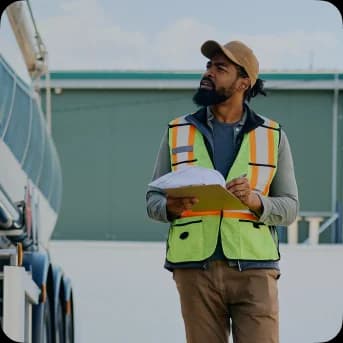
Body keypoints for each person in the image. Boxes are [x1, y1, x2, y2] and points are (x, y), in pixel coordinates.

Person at [146, 39, 298, 343]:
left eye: (220, 68)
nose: (208, 73)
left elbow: (290, 207)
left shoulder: (273, 135)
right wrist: (170, 208)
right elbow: (153, 199)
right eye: (208, 66)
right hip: (194, 269)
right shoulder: (177, 131)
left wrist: (256, 200)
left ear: (244, 82)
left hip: (255, 269)